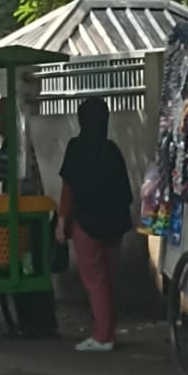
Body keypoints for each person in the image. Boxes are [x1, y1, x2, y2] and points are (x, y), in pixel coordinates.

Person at [56, 97, 134, 352]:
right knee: (108, 280)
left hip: (87, 224)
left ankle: (102, 336)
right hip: (115, 224)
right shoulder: (112, 150)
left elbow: (68, 189)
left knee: (95, 281)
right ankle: (108, 331)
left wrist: (61, 222)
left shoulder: (76, 148)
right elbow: (126, 192)